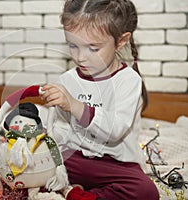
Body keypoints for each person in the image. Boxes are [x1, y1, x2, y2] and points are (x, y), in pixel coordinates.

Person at [40, 0, 159, 199]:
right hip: (75, 159)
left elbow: (114, 131)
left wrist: (75, 105)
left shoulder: (128, 80)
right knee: (34, 166)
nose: (80, 58)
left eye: (93, 49)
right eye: (73, 46)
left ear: (121, 41)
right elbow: (62, 128)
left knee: (146, 192)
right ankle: (73, 189)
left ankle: (78, 193)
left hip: (115, 164)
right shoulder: (68, 79)